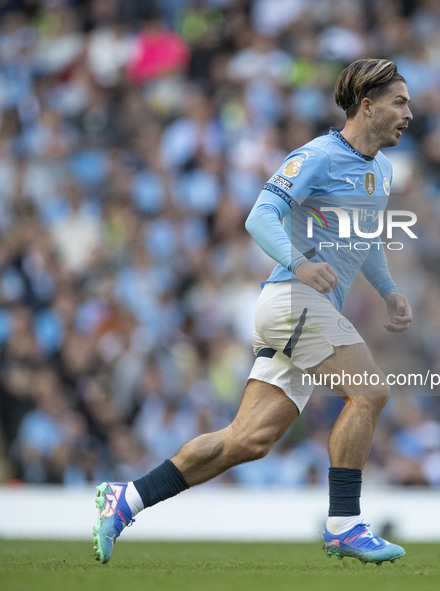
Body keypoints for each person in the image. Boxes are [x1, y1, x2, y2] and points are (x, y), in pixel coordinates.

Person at [93, 57, 413, 565]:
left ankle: (125, 498)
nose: (409, 113)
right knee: (369, 391)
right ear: (367, 106)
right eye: (399, 102)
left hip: (307, 311)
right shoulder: (319, 156)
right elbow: (260, 214)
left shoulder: (382, 171)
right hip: (290, 299)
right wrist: (300, 263)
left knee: (246, 441)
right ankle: (345, 525)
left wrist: (389, 290)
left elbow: (365, 239)